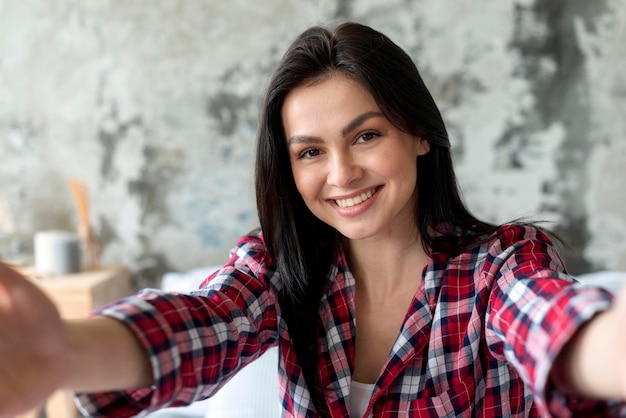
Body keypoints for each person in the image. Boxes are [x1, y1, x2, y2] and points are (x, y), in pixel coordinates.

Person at [1, 21, 626, 418]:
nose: (341, 174)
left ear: (418, 135)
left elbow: (547, 324)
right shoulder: (278, 269)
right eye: (310, 152)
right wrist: (64, 352)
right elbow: (203, 324)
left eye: (366, 135)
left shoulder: (501, 263)